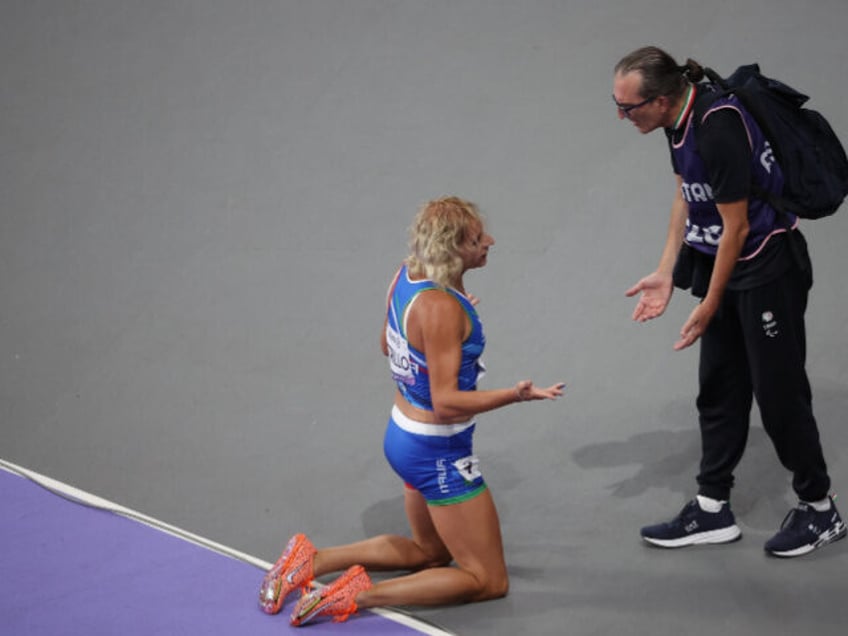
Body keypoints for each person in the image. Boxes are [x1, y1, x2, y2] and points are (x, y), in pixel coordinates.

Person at [258, 196, 566, 626]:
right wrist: (515, 395)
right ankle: (353, 594)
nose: (489, 242)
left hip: (402, 435)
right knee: (487, 579)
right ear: (453, 249)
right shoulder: (441, 308)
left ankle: (312, 559)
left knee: (431, 552)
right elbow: (445, 404)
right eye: (478, 239)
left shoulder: (406, 275)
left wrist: (437, 339)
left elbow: (388, 344)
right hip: (436, 449)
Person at [612, 46, 846, 558]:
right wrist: (668, 272)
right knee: (719, 390)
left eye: (627, 107)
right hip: (729, 267)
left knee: (780, 396)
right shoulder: (678, 120)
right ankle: (712, 506)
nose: (621, 116)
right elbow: (686, 194)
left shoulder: (716, 126)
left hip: (766, 269)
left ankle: (820, 509)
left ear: (659, 99)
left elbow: (735, 226)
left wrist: (709, 303)